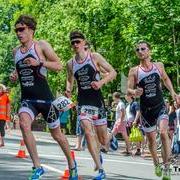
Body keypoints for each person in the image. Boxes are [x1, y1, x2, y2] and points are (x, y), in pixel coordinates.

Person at [10, 15, 78, 180]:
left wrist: (40, 62)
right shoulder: (15, 52)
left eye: (22, 29)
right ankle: (37, 167)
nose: (19, 33)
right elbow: (21, 72)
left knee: (57, 135)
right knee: (24, 123)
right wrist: (14, 76)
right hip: (28, 100)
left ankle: (72, 165)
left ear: (31, 30)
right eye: (16, 30)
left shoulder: (41, 45)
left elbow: (59, 66)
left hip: (46, 100)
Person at [66, 31, 117, 179]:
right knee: (87, 131)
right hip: (83, 101)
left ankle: (109, 137)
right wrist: (68, 90)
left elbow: (113, 72)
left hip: (97, 101)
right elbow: (69, 79)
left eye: (77, 41)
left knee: (103, 140)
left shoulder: (94, 57)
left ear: (83, 42)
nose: (75, 44)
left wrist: (101, 82)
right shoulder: (70, 63)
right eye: (73, 42)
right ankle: (101, 170)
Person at [127, 41, 180, 180]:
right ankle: (156, 163)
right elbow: (128, 90)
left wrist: (173, 93)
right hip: (146, 110)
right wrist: (134, 91)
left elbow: (166, 79)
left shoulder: (159, 66)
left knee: (163, 132)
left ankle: (167, 167)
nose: (140, 51)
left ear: (149, 51)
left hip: (160, 106)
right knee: (151, 141)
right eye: (137, 49)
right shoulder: (134, 71)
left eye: (143, 48)